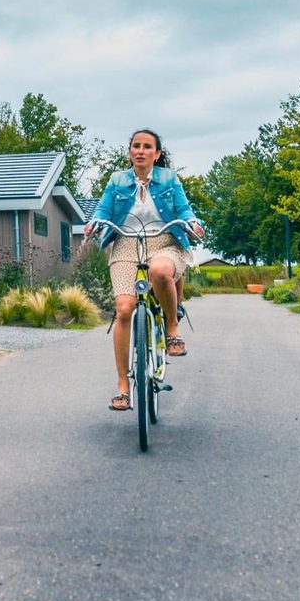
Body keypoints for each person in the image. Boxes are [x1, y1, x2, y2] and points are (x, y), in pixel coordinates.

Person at [83, 129, 204, 411]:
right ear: (129, 152)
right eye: (135, 146)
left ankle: (172, 328)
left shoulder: (169, 179)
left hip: (164, 240)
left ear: (157, 154)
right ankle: (124, 387)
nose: (140, 151)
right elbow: (102, 210)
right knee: (124, 309)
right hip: (125, 244)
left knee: (160, 272)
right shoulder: (117, 181)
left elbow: (185, 211)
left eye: (147, 147)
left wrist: (193, 224)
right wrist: (94, 224)